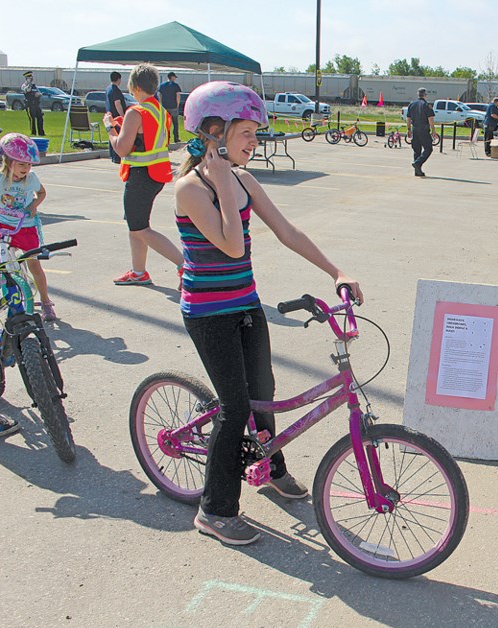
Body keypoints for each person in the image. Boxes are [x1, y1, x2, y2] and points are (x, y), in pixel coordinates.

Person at [175, 81, 363, 545]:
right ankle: (215, 511)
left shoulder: (244, 181)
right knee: (234, 405)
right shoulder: (189, 189)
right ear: (214, 132)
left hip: (244, 305)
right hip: (207, 312)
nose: (255, 142)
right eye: (247, 133)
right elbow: (232, 246)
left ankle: (271, 466)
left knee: (262, 392)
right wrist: (219, 179)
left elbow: (287, 232)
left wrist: (336, 269)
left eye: (256, 133)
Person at [104, 64, 183, 287]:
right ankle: (138, 272)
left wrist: (110, 128)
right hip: (156, 174)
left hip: (141, 176)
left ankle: (184, 265)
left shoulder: (136, 112)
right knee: (136, 226)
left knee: (140, 228)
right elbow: (147, 137)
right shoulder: (160, 111)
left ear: (135, 86)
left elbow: (121, 149)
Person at [0, 133, 56, 321]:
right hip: (3, 224)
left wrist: (33, 205)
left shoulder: (31, 178)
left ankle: (46, 302)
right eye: (22, 164)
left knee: (34, 264)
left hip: (25, 226)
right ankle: (10, 297)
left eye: (29, 164)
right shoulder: (0, 179)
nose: (27, 168)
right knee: (3, 264)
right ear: (7, 161)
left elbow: (41, 193)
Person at [405, 88, 435, 177]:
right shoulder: (426, 105)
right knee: (428, 149)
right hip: (424, 130)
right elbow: (430, 118)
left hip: (415, 129)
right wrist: (433, 129)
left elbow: (408, 118)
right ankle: (417, 163)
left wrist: (408, 129)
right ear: (425, 95)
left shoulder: (411, 104)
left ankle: (417, 171)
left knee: (416, 150)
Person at [106, 72, 127, 164]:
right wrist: (123, 116)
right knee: (118, 136)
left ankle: (112, 155)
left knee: (111, 135)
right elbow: (117, 103)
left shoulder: (108, 89)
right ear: (118, 79)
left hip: (110, 115)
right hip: (116, 116)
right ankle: (117, 157)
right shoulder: (116, 90)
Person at [158, 71, 182, 143]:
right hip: (173, 106)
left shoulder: (162, 85)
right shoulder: (176, 86)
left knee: (166, 124)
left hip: (165, 107)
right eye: (174, 77)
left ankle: (166, 139)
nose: (175, 79)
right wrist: (177, 104)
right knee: (175, 123)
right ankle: (176, 138)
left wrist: (161, 103)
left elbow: (159, 94)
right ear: (172, 77)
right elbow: (178, 95)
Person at [20, 72, 45, 137]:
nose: (31, 79)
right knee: (32, 119)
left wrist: (39, 94)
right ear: (26, 78)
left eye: (31, 77)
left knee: (40, 118)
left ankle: (41, 132)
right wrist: (29, 84)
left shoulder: (34, 85)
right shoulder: (24, 85)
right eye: (29, 77)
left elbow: (38, 92)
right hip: (30, 104)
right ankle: (33, 132)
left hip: (36, 104)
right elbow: (27, 90)